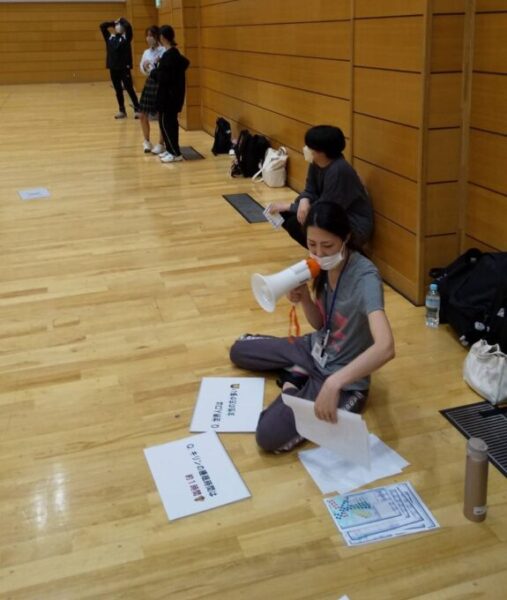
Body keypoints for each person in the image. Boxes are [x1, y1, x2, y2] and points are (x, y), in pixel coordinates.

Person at [230, 202, 394, 454]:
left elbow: (386, 347)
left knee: (267, 436)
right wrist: (305, 298)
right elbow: (320, 324)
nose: (319, 253)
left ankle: (295, 378)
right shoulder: (321, 266)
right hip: (315, 348)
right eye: (312, 244)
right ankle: (298, 373)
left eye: (327, 245)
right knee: (238, 351)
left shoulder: (366, 278)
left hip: (343, 380)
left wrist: (334, 383)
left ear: (346, 237)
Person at [268, 125, 374, 248]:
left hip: (352, 226)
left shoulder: (339, 171)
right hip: (328, 213)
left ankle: (345, 252)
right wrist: (304, 200)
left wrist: (289, 206)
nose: (306, 149)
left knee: (295, 222)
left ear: (322, 151)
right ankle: (323, 252)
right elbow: (310, 189)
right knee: (286, 215)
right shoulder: (316, 162)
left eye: (310, 147)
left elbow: (326, 209)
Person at [149, 25, 190, 163]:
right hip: (171, 96)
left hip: (169, 97)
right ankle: (170, 149)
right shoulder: (173, 54)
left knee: (168, 124)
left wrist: (153, 72)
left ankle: (175, 153)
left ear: (162, 37)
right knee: (165, 123)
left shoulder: (169, 55)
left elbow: (164, 77)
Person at [100, 17, 141, 119]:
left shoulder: (126, 37)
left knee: (129, 88)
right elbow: (102, 26)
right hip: (113, 68)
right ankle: (122, 110)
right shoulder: (110, 38)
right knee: (118, 90)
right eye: (117, 26)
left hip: (124, 68)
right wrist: (113, 22)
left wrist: (122, 20)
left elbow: (129, 26)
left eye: (120, 25)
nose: (119, 27)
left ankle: (137, 109)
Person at [138, 26, 166, 154]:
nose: (149, 38)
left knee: (161, 114)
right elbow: (142, 70)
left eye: (151, 35)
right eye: (147, 35)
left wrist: (156, 64)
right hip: (150, 83)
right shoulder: (146, 52)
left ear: (157, 37)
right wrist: (144, 66)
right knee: (142, 114)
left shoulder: (163, 51)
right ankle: (147, 141)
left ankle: (161, 143)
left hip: (160, 84)